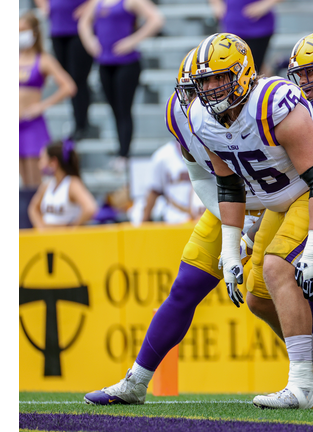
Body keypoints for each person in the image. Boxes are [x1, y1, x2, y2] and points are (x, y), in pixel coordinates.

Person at [84, 48, 265, 406]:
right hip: (230, 205)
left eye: (214, 83)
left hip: (279, 199)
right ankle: (137, 380)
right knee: (185, 286)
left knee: (274, 290)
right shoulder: (180, 114)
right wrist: (235, 224)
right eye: (196, 88)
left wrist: (255, 223)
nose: (205, 96)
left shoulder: (260, 106)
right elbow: (199, 173)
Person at [188, 33, 313, 409]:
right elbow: (229, 185)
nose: (213, 88)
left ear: (244, 73)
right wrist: (231, 250)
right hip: (280, 200)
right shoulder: (201, 117)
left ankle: (302, 385)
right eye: (206, 81)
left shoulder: (271, 104)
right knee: (258, 296)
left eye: (221, 77)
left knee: (278, 267)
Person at [78, 0, 164, 171]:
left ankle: (124, 154)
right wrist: (90, 42)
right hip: (105, 64)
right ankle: (120, 150)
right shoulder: (98, 3)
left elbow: (156, 19)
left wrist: (132, 41)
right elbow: (83, 23)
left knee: (124, 109)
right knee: (114, 110)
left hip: (127, 63)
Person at [20, 11, 77, 188]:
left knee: (33, 182)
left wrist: (42, 106)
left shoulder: (43, 60)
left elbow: (69, 86)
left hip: (32, 125)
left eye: (23, 30)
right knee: (21, 182)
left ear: (34, 32)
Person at [33, 0, 96, 141]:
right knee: (66, 78)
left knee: (78, 78)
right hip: (58, 28)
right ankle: (77, 120)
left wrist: (89, 6)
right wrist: (46, 6)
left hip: (79, 29)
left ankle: (82, 124)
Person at [28, 140, 97, 228]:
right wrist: (40, 226)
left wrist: (73, 228)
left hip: (65, 239)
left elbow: (90, 208)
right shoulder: (47, 184)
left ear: (53, 162)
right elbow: (33, 208)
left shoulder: (72, 183)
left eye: (43, 159)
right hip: (47, 238)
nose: (39, 164)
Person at [209, 0, 282, 74]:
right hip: (231, 28)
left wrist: (264, 5)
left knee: (253, 69)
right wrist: (217, 5)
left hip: (257, 29)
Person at [142, 141, 193, 224]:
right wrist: (144, 221)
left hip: (204, 219)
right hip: (174, 220)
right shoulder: (162, 155)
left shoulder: (209, 150)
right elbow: (154, 191)